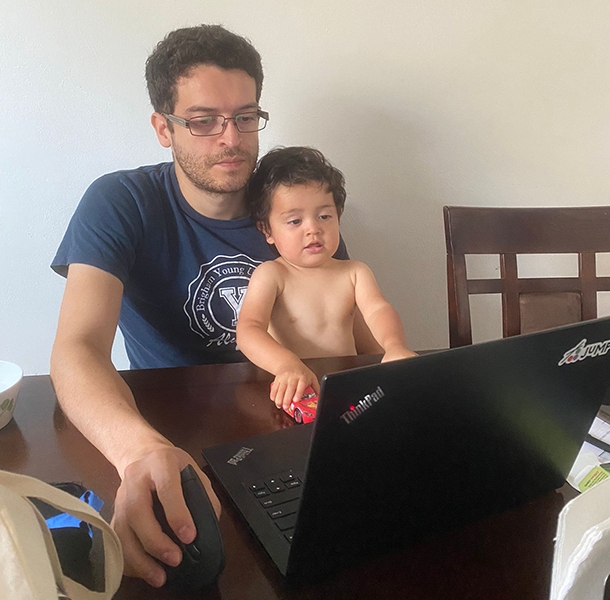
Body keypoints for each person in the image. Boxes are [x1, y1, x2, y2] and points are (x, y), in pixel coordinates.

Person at [50, 25, 378, 588]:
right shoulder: (121, 201)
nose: (231, 138)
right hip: (166, 428)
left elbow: (360, 339)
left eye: (246, 117)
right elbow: (77, 348)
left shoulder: (296, 208)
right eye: (203, 121)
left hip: (288, 426)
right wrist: (138, 451)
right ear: (163, 128)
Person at [237, 146, 417, 410]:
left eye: (324, 216)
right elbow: (248, 331)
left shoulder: (354, 272)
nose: (313, 229)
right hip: (296, 391)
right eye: (295, 221)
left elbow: (378, 310)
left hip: (347, 385)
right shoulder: (272, 275)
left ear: (338, 217)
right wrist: (286, 365)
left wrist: (395, 347)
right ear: (267, 230)